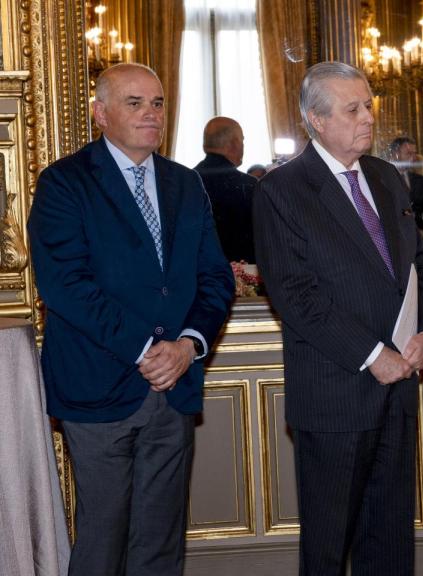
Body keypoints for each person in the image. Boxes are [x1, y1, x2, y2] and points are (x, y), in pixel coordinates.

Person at [27, 63, 235, 576]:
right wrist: (147, 350)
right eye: (135, 102)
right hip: (97, 386)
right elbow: (65, 286)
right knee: (103, 540)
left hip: (175, 388)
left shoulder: (186, 184)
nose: (151, 113)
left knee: (161, 544)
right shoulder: (64, 183)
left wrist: (187, 345)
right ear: (101, 114)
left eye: (158, 103)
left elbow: (215, 278)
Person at [252, 62, 423, 575]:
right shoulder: (282, 191)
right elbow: (296, 295)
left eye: (368, 105)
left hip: (398, 387)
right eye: (352, 109)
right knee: (330, 545)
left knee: (390, 538)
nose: (367, 118)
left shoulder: (383, 176)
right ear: (315, 119)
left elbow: (418, 264)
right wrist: (373, 355)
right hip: (335, 394)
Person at [195, 116, 257, 263]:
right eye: (242, 140)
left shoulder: (186, 181)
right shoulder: (249, 185)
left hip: (197, 275)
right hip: (243, 275)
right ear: (234, 143)